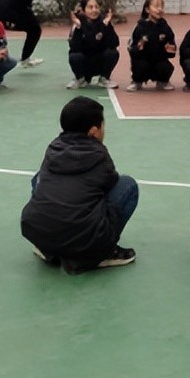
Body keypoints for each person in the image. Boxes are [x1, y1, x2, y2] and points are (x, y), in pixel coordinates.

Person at [20, 96, 138, 275]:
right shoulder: (99, 154)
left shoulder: (53, 147)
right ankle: (101, 252)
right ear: (93, 131)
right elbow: (110, 184)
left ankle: (49, 248)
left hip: (38, 231)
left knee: (40, 177)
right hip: (84, 239)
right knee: (127, 185)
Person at [66, 0, 120, 90]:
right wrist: (78, 29)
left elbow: (114, 43)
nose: (94, 10)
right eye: (90, 7)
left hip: (99, 60)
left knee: (113, 52)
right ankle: (80, 79)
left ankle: (104, 78)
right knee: (74, 56)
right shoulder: (78, 23)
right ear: (83, 10)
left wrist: (107, 26)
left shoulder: (104, 22)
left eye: (96, 7)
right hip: (85, 62)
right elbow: (74, 47)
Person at [127, 0, 177, 92]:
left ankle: (162, 81)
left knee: (166, 67)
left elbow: (172, 51)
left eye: (161, 7)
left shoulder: (165, 27)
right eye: (156, 6)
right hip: (143, 60)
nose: (159, 9)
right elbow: (131, 49)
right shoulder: (139, 27)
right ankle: (137, 81)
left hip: (158, 60)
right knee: (140, 66)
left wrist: (169, 49)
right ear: (147, 9)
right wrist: (139, 47)